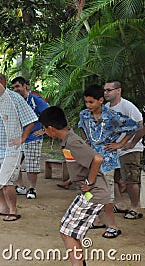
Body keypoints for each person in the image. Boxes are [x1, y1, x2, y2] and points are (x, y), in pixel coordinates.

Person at [39, 106, 110, 266]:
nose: (44, 132)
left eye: (44, 129)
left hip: (94, 193)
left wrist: (89, 183)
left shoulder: (72, 141)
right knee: (70, 230)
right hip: (88, 193)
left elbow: (97, 159)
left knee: (66, 231)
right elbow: (80, 166)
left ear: (50, 128)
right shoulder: (67, 140)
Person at [78, 84, 139, 238]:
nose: (88, 105)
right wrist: (86, 142)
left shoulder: (112, 116)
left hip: (107, 160)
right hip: (91, 159)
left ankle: (113, 226)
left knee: (106, 194)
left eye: (91, 102)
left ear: (100, 100)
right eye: (86, 102)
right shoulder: (84, 114)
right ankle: (96, 220)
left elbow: (135, 126)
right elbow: (82, 127)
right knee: (88, 189)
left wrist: (120, 143)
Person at [0, 72, 37, 221]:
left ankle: (13, 210)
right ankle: (2, 207)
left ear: (2, 84)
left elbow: (31, 120)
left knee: (6, 182)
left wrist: (22, 138)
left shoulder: (15, 99)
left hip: (11, 148)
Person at [104, 80, 143, 219]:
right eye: (105, 90)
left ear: (118, 90)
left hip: (129, 149)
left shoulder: (127, 106)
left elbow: (140, 126)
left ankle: (135, 208)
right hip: (112, 149)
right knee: (112, 178)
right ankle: (120, 203)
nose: (106, 92)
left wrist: (131, 143)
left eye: (109, 90)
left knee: (130, 179)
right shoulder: (106, 107)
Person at [11, 76, 49, 199]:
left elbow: (49, 113)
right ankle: (20, 186)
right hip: (18, 137)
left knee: (31, 164)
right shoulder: (14, 101)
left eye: (17, 86)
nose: (15, 90)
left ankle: (32, 188)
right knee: (14, 163)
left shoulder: (35, 100)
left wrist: (44, 130)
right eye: (13, 88)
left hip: (33, 137)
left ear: (25, 86)